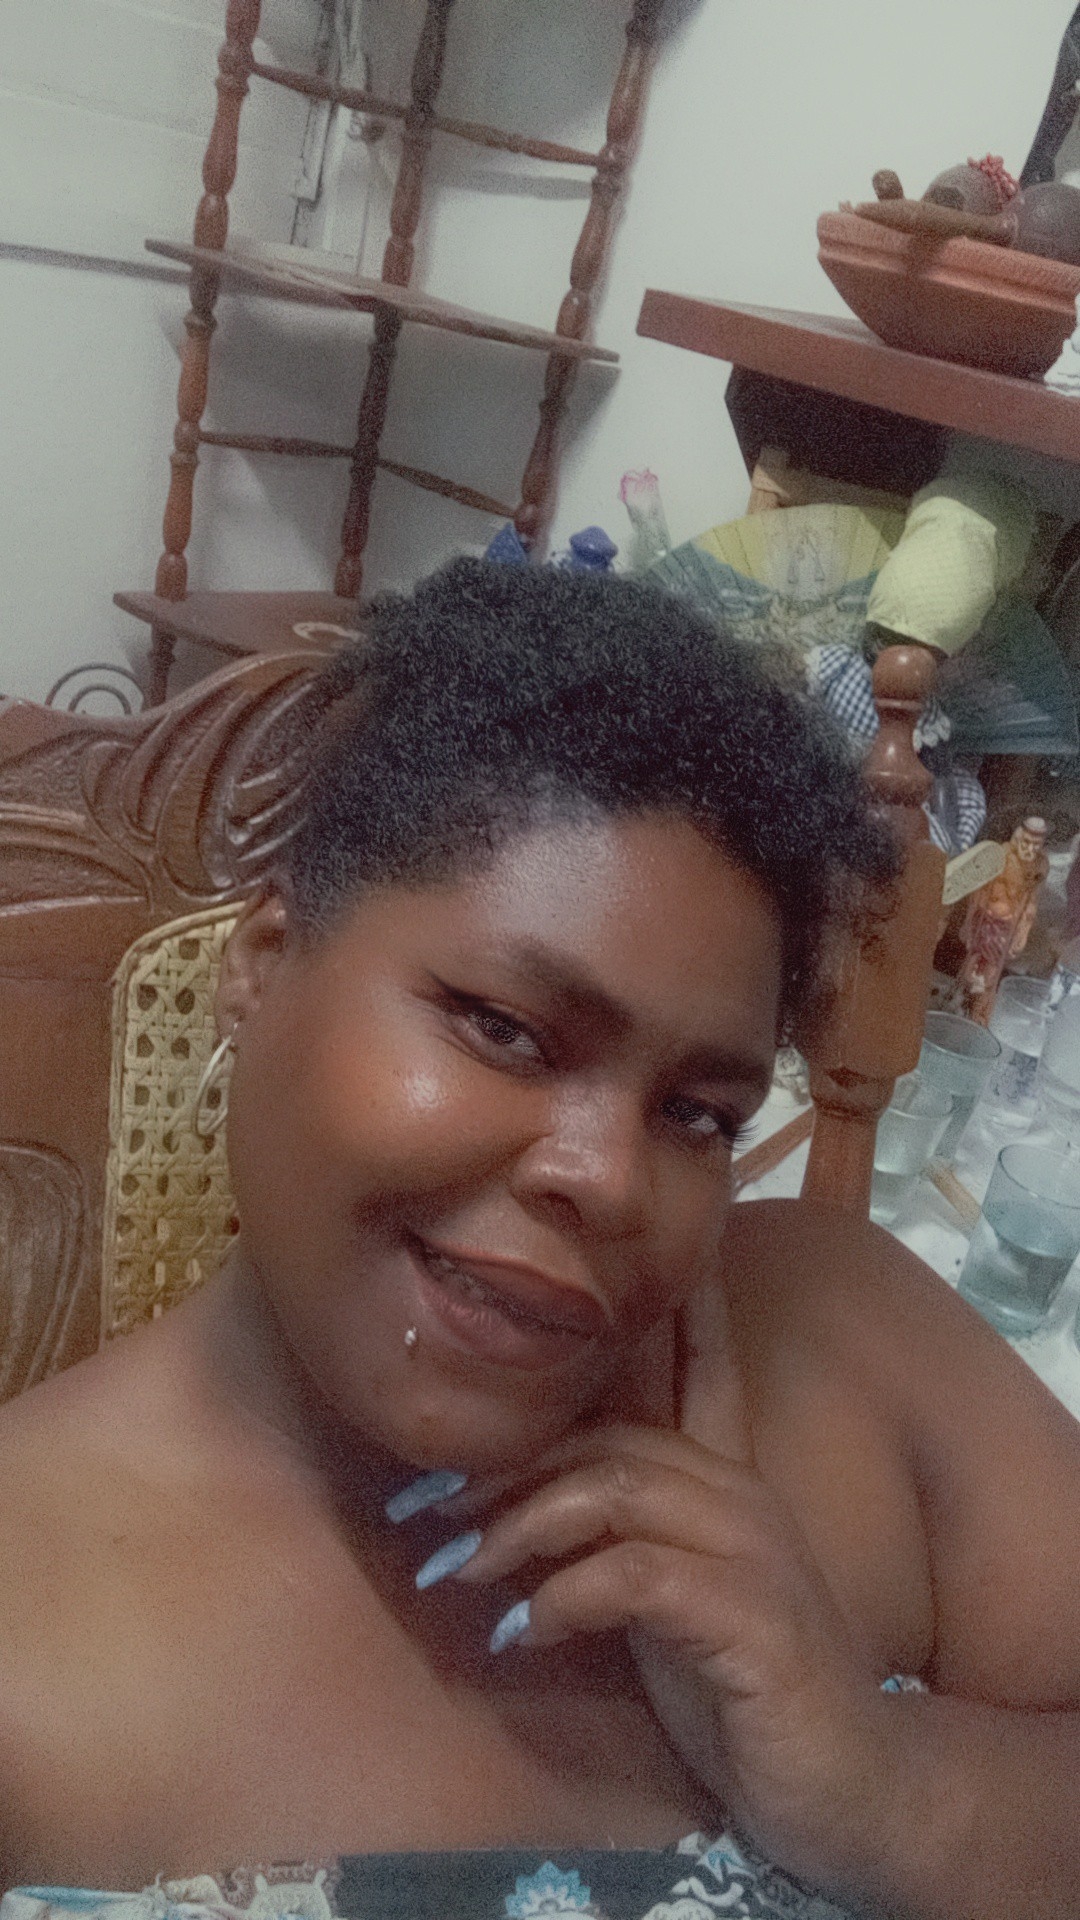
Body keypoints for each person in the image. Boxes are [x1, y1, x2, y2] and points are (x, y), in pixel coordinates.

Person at [1, 560, 1080, 1920]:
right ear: (264, 963)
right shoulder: (29, 1639)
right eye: (504, 1029)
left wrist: (891, 1791)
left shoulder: (844, 1335)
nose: (608, 1178)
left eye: (697, 1111)